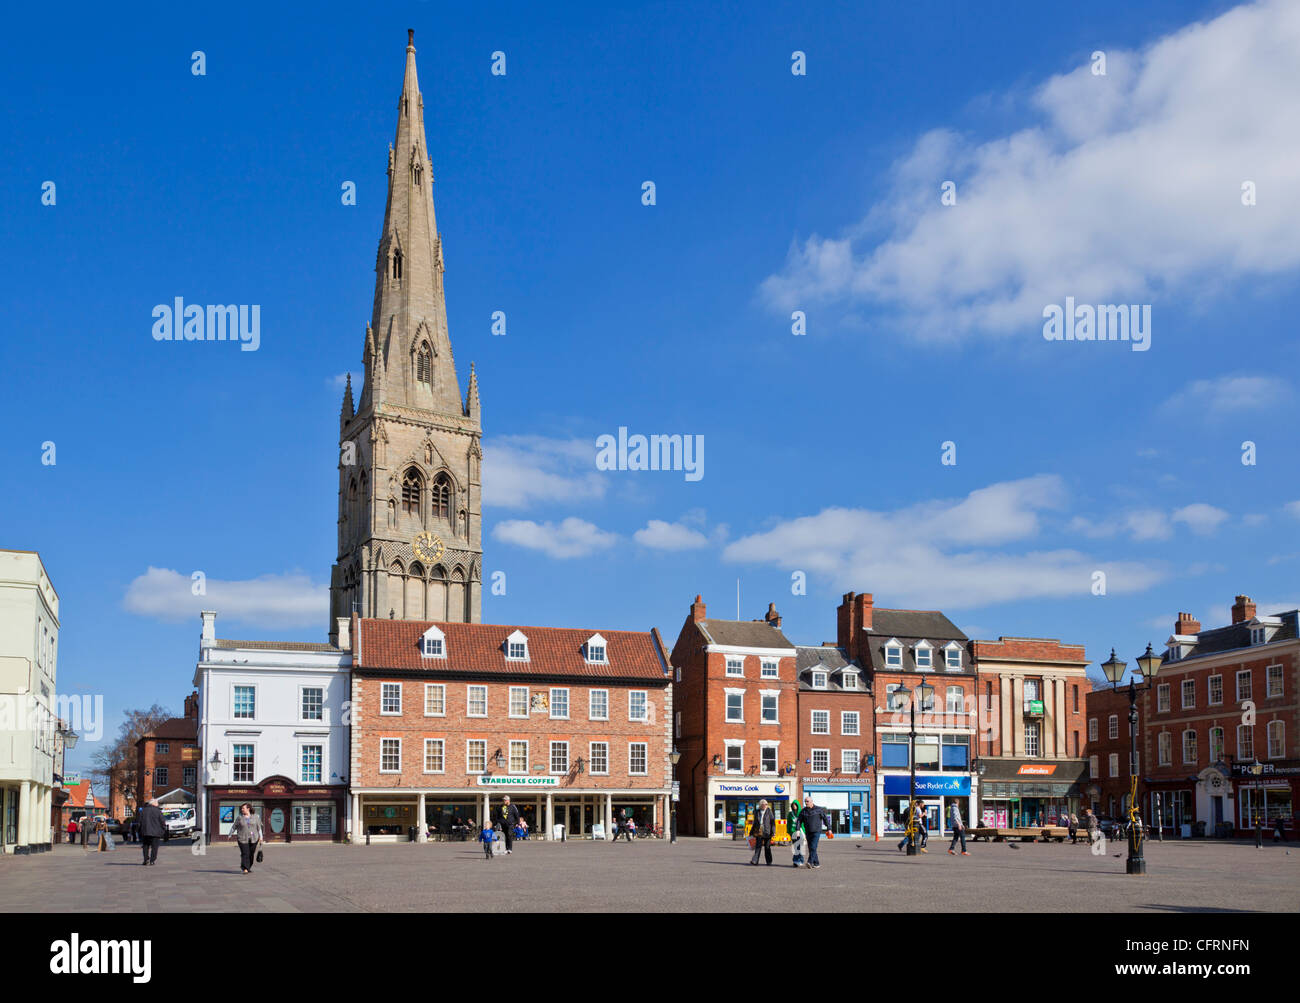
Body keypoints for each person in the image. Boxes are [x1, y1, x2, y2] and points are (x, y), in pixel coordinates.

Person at [794, 795, 830, 869]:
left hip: (816, 831)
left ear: (811, 802)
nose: (806, 803)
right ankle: (816, 863)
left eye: (807, 801)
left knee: (813, 846)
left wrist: (829, 828)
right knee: (811, 848)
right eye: (805, 801)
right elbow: (799, 821)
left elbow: (825, 819)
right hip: (808, 831)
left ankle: (810, 862)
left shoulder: (819, 810)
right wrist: (797, 830)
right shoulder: (803, 811)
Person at [230, 802, 263, 874]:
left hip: (254, 838)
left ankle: (248, 867)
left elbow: (259, 828)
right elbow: (234, 827)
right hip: (242, 838)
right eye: (241, 808)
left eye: (243, 808)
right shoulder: (239, 818)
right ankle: (245, 868)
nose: (242, 809)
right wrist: (230, 835)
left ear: (248, 809)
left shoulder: (256, 817)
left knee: (251, 854)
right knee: (245, 853)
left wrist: (261, 837)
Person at [138, 798, 166, 866]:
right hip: (156, 832)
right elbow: (162, 821)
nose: (158, 804)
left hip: (145, 831)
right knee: (155, 847)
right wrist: (163, 829)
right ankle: (152, 860)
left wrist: (139, 830)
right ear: (154, 804)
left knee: (145, 846)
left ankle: (146, 859)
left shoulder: (143, 811)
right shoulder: (158, 811)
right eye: (157, 803)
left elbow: (140, 822)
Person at [748, 798, 776, 866]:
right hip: (759, 830)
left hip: (767, 831)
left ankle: (769, 861)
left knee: (767, 847)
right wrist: (751, 832)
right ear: (760, 805)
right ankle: (755, 860)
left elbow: (772, 822)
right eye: (763, 804)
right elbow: (755, 823)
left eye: (765, 804)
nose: (764, 806)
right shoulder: (757, 812)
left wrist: (773, 832)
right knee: (758, 847)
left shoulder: (769, 811)